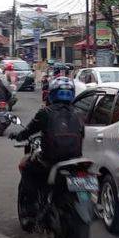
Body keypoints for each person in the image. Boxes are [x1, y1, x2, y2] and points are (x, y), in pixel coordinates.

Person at [9, 77, 84, 229]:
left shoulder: (46, 112)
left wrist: (18, 136)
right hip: (75, 160)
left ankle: (30, 213)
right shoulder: (79, 113)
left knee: (27, 168)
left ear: (52, 94)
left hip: (51, 160)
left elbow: (29, 130)